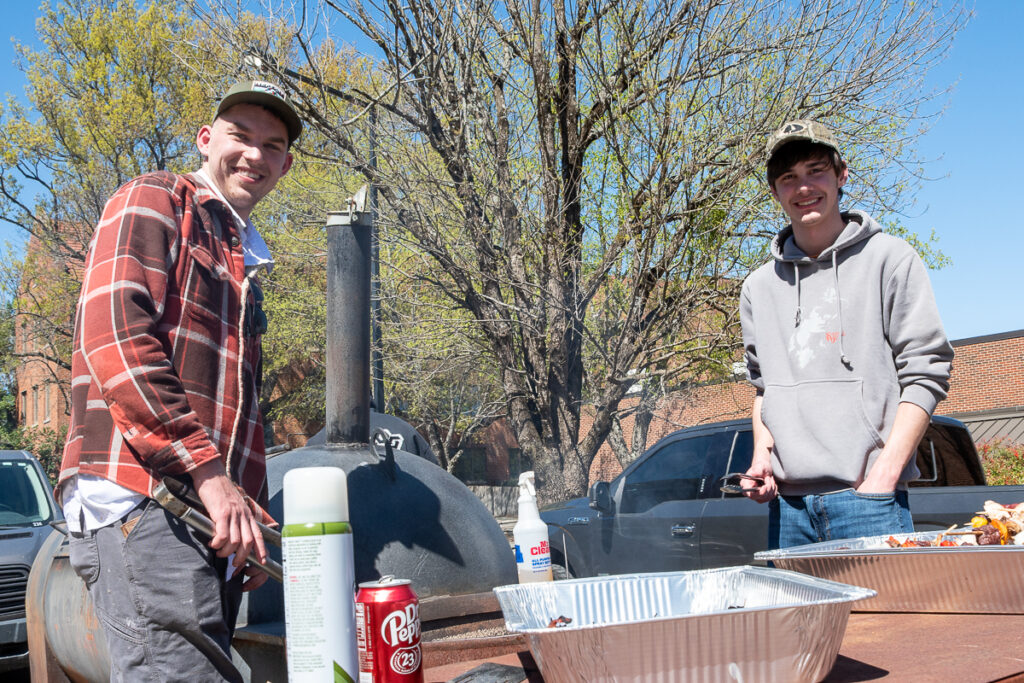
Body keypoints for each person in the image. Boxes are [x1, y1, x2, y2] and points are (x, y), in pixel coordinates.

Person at [57, 79, 301, 680]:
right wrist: (213, 478)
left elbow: (238, 412)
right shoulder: (155, 199)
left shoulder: (241, 257)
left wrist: (246, 515)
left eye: (271, 146)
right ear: (205, 139)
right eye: (240, 136)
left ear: (286, 165)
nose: (254, 155)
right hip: (148, 501)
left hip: (201, 516)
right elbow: (117, 339)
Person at [739, 119, 953, 549]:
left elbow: (927, 373)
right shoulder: (757, 287)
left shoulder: (890, 259)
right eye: (788, 177)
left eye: (816, 170)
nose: (803, 187)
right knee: (801, 621)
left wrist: (883, 476)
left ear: (841, 174)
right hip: (787, 510)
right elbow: (764, 389)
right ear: (775, 191)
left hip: (869, 501)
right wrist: (762, 455)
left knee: (882, 620)